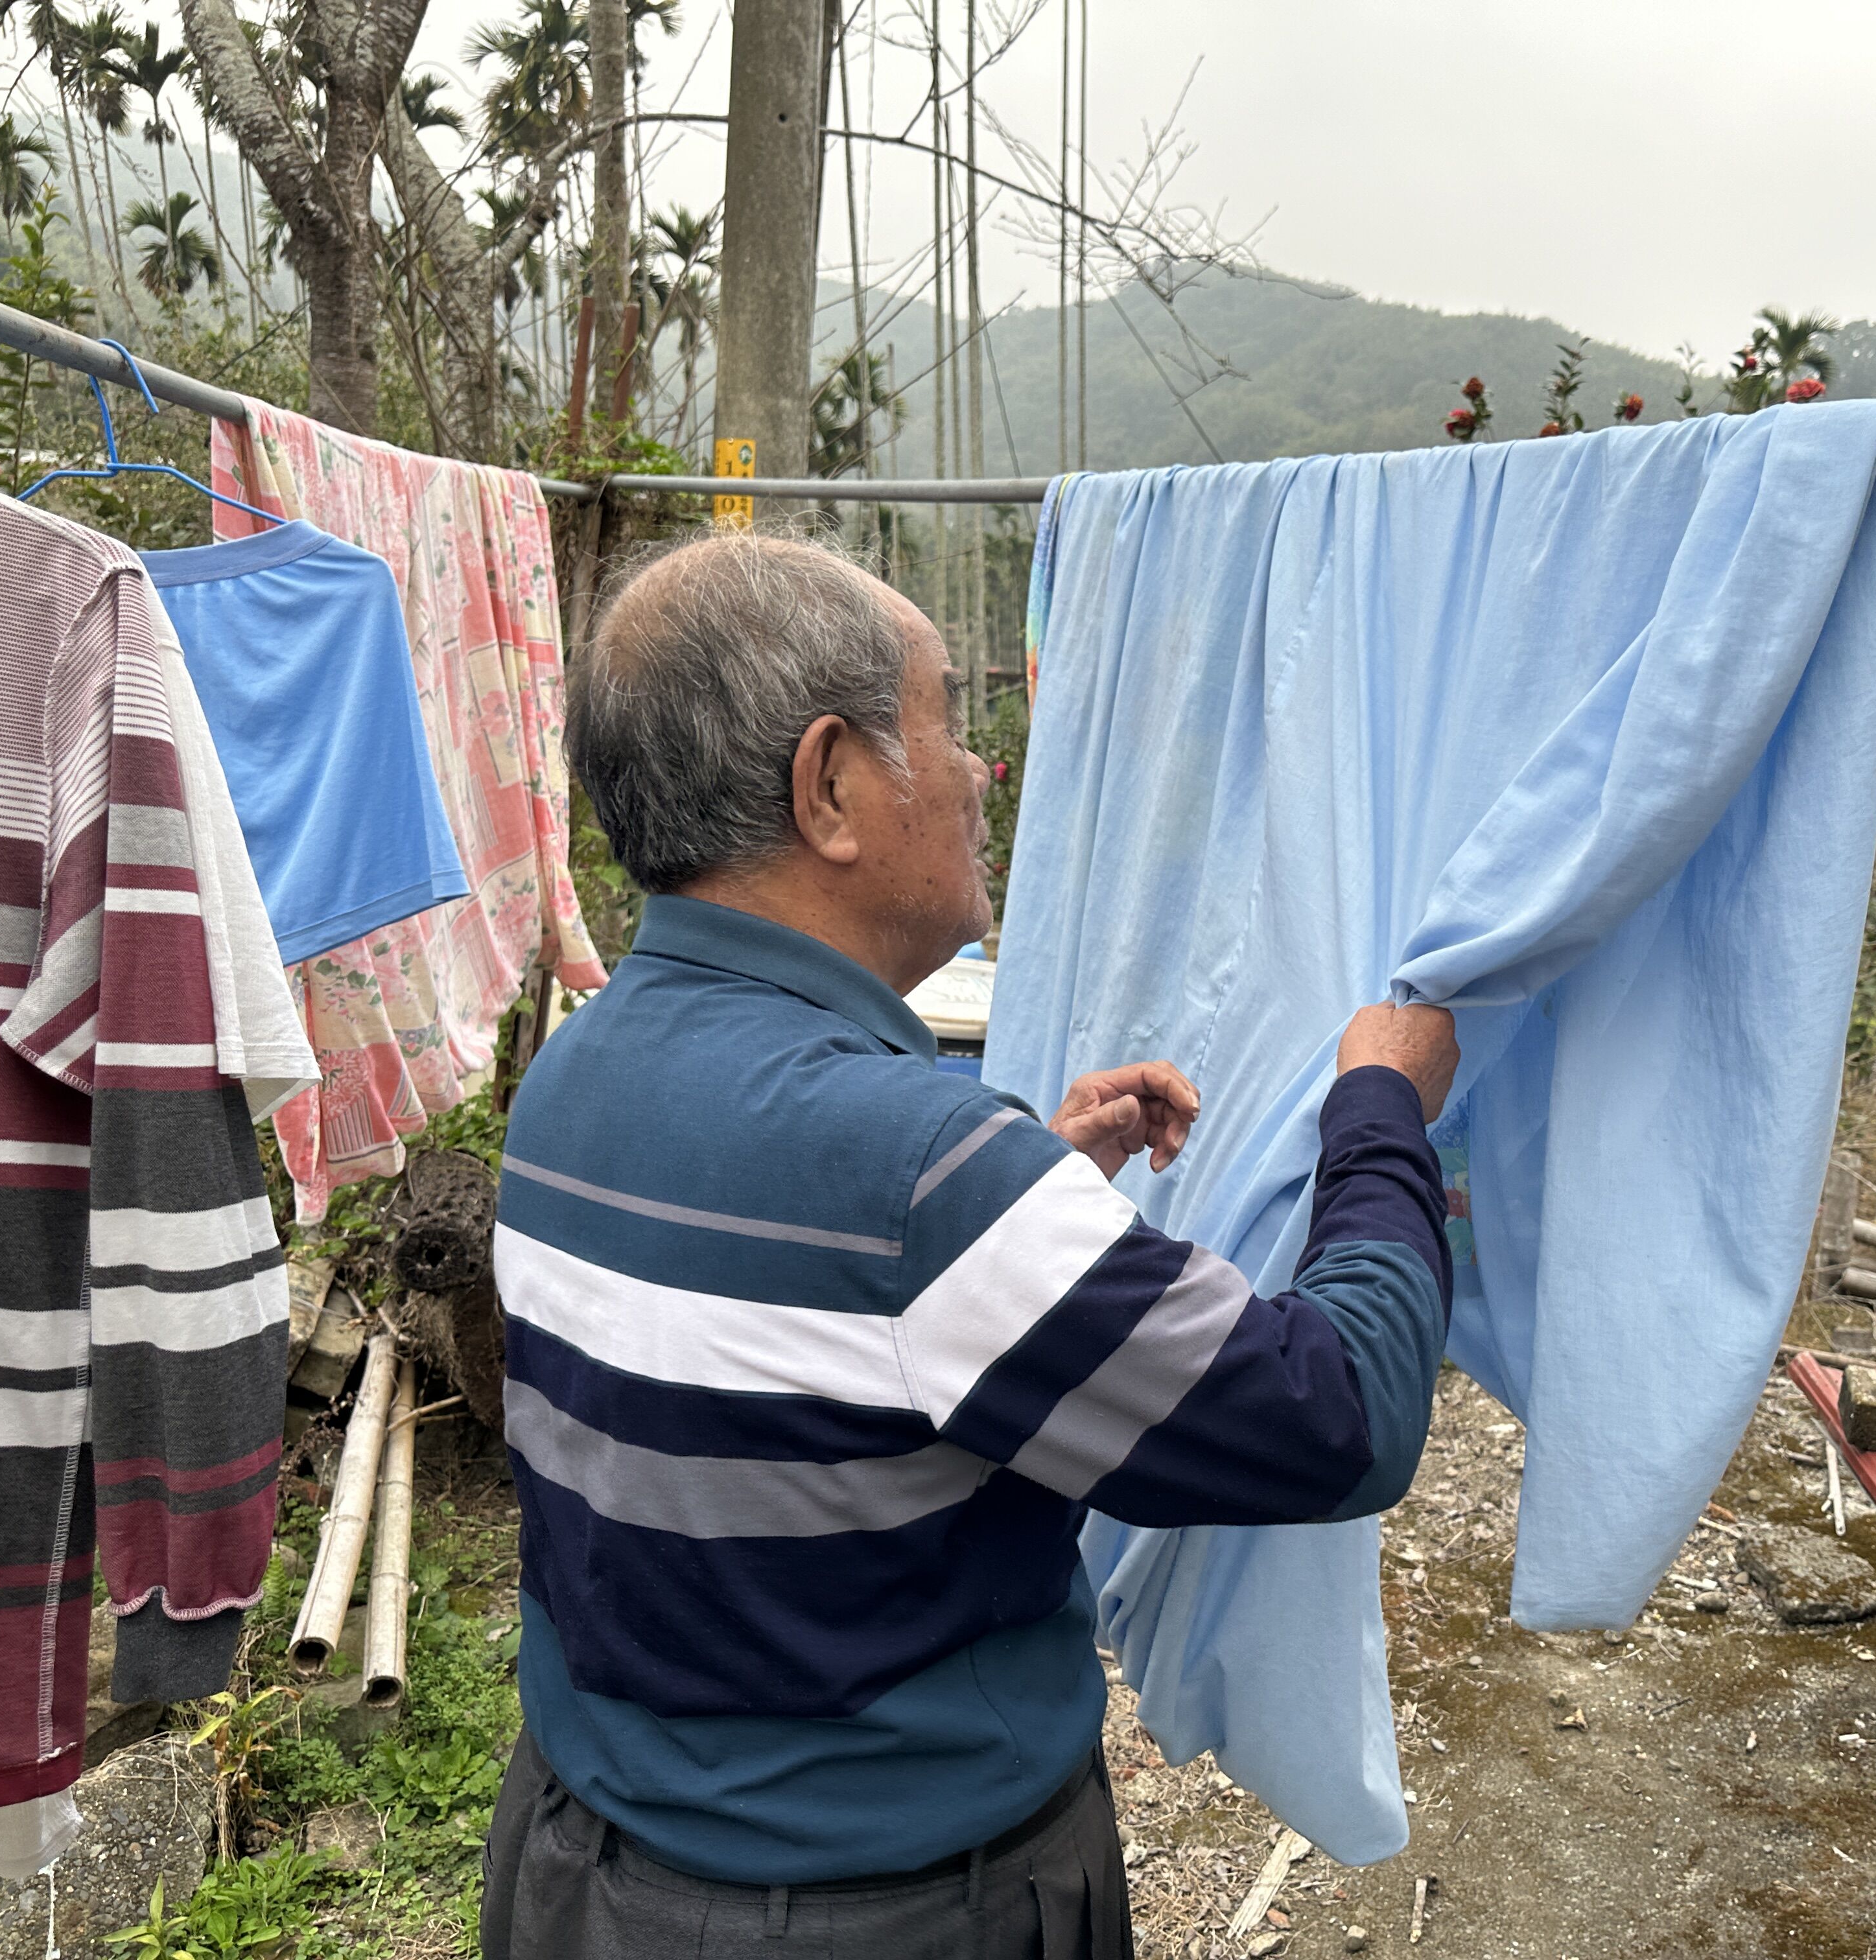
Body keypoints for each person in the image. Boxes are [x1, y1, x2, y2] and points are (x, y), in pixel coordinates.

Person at [480, 532, 1460, 1960]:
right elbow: (1340, 1418)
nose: (984, 770)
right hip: (884, 1915)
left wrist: (1039, 1185)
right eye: (948, 721)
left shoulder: (577, 1075)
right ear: (830, 787)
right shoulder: (922, 1175)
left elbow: (792, 1343)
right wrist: (1384, 1107)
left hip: (580, 1873)